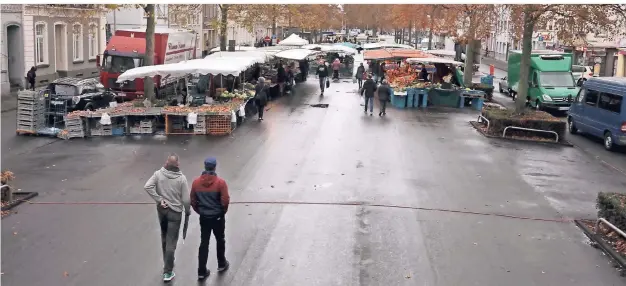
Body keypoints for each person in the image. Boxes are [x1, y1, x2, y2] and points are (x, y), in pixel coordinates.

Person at [144, 154, 191, 282]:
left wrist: (159, 200)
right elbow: (186, 200)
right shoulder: (181, 179)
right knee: (171, 241)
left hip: (162, 211)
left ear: (166, 163)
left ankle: (167, 261)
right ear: (177, 165)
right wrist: (188, 211)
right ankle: (168, 272)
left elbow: (147, 186)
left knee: (164, 236)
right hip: (175, 213)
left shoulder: (158, 174)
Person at [191, 157, 231, 281]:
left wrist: (201, 212)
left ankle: (201, 271)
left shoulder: (196, 183)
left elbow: (193, 200)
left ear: (205, 166)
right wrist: (221, 212)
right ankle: (221, 263)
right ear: (214, 167)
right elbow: (225, 201)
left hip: (204, 218)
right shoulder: (220, 183)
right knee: (220, 239)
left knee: (204, 243)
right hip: (217, 217)